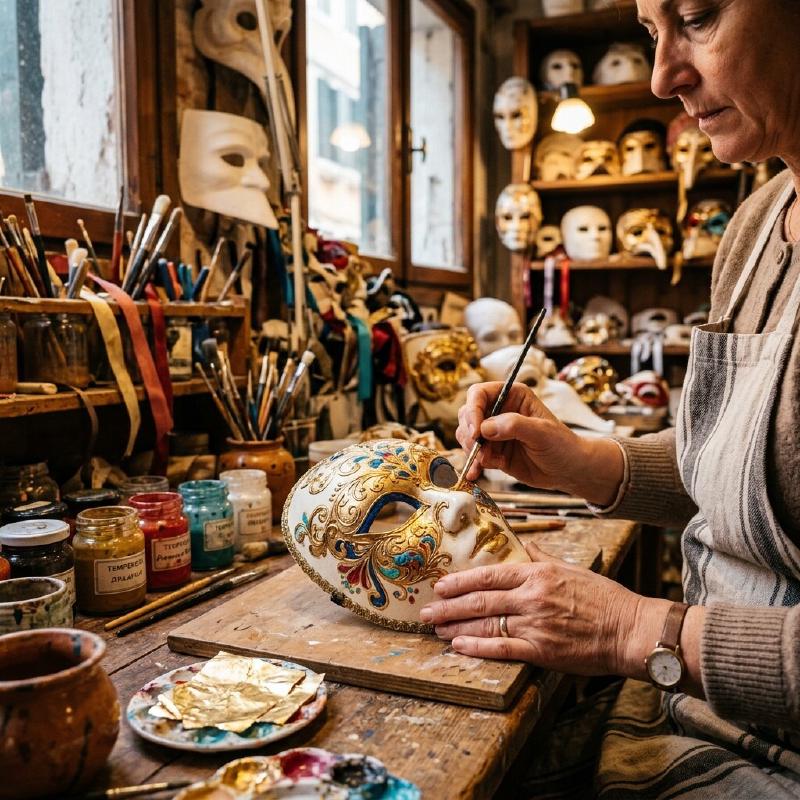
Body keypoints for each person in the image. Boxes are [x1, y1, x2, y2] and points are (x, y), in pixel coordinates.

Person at [420, 0, 800, 796]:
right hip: (709, 710)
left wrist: (637, 628)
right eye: (651, 33)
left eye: (696, 17)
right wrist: (586, 463)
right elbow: (749, 464)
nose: (666, 77)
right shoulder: (761, 220)